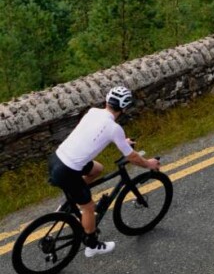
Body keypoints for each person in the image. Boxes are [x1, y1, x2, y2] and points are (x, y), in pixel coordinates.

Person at [48, 86, 161, 257]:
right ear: (124, 108)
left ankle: (71, 200)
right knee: (88, 207)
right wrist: (150, 164)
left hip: (56, 159)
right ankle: (92, 245)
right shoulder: (114, 128)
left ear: (107, 101)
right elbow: (132, 157)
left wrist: (122, 141)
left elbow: (93, 132)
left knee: (97, 169)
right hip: (68, 170)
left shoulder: (93, 111)